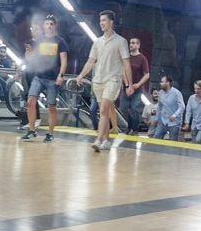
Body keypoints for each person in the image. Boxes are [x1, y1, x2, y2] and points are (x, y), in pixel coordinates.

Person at [72, 9, 131, 152]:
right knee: (102, 112)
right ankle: (105, 140)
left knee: (104, 109)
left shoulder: (121, 42)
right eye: (100, 21)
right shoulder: (97, 42)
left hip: (113, 80)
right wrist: (80, 75)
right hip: (98, 81)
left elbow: (127, 64)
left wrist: (129, 84)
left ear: (111, 22)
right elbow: (90, 61)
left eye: (104, 20)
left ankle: (98, 139)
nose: (101, 23)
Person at [20, 15, 67, 143]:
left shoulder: (60, 41)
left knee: (51, 106)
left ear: (54, 26)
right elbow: (31, 57)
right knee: (30, 101)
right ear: (44, 26)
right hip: (39, 76)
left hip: (53, 78)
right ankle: (31, 130)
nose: (49, 26)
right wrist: (28, 53)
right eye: (47, 24)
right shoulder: (39, 40)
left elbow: (63, 60)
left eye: (52, 24)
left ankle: (50, 133)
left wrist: (61, 75)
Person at [120, 36, 151, 135]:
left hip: (137, 89)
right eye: (130, 43)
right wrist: (127, 84)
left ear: (138, 45)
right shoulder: (126, 57)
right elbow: (122, 71)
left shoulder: (142, 58)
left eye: (133, 43)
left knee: (135, 108)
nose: (131, 45)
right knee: (123, 108)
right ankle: (129, 126)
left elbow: (147, 75)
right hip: (126, 87)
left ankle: (135, 129)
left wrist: (138, 84)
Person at [153, 75, 185, 140]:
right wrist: (156, 118)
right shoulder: (161, 93)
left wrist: (174, 115)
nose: (160, 83)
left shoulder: (176, 93)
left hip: (174, 122)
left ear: (167, 83)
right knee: (156, 137)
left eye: (162, 82)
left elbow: (182, 106)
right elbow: (159, 106)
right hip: (163, 120)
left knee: (173, 142)